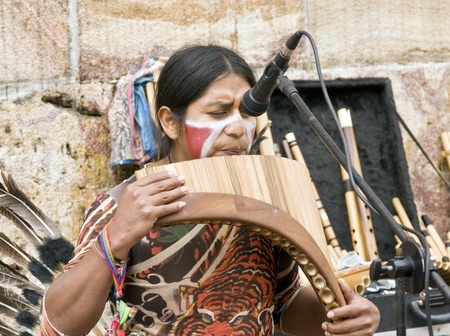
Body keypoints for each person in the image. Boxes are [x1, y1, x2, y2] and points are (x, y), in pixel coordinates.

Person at [40, 44, 380, 336]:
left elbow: (286, 305)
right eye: (219, 112)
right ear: (171, 122)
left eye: (248, 114)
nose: (237, 129)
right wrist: (113, 239)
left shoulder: (262, 197)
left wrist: (346, 317)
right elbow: (60, 325)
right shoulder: (124, 204)